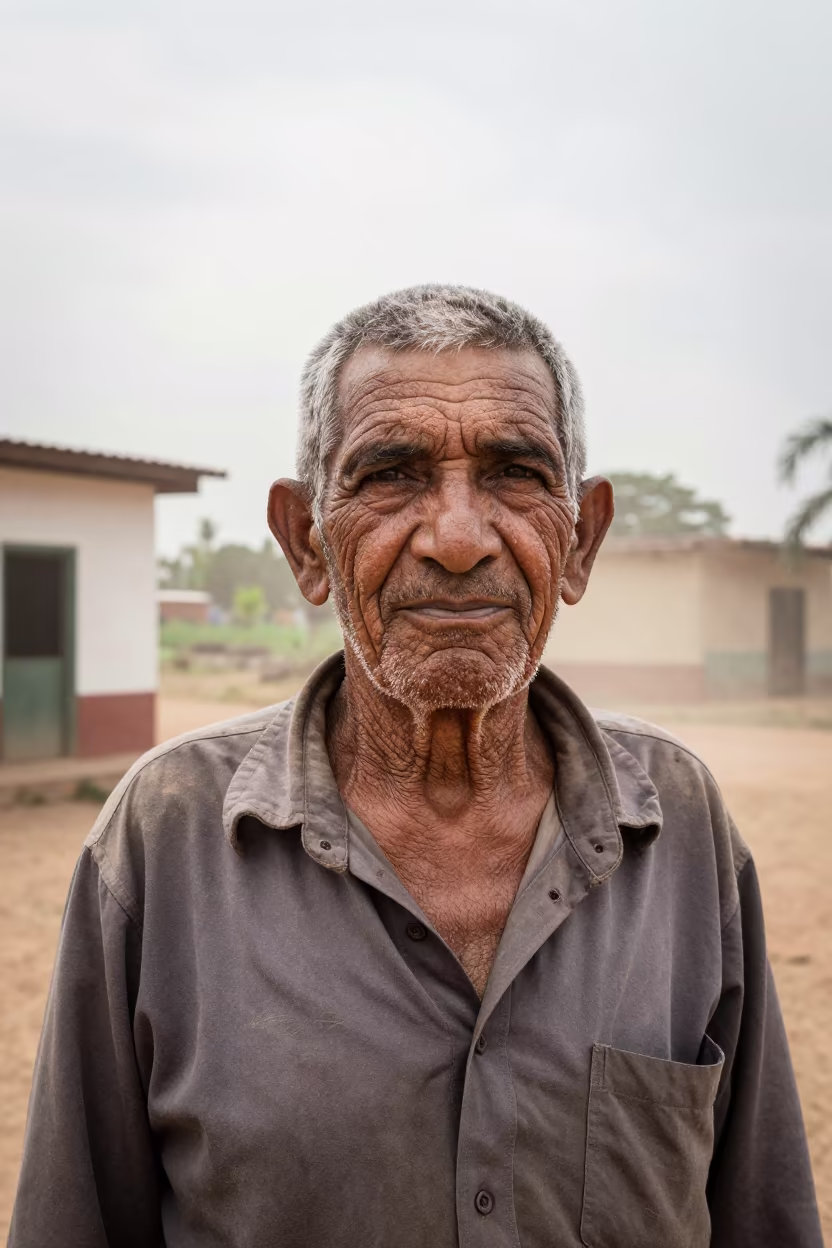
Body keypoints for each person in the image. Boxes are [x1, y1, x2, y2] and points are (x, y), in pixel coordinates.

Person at [10, 285, 822, 1247]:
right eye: (391, 475)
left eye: (516, 473)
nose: (458, 538)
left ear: (581, 539)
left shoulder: (682, 825)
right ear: (307, 542)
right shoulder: (164, 835)